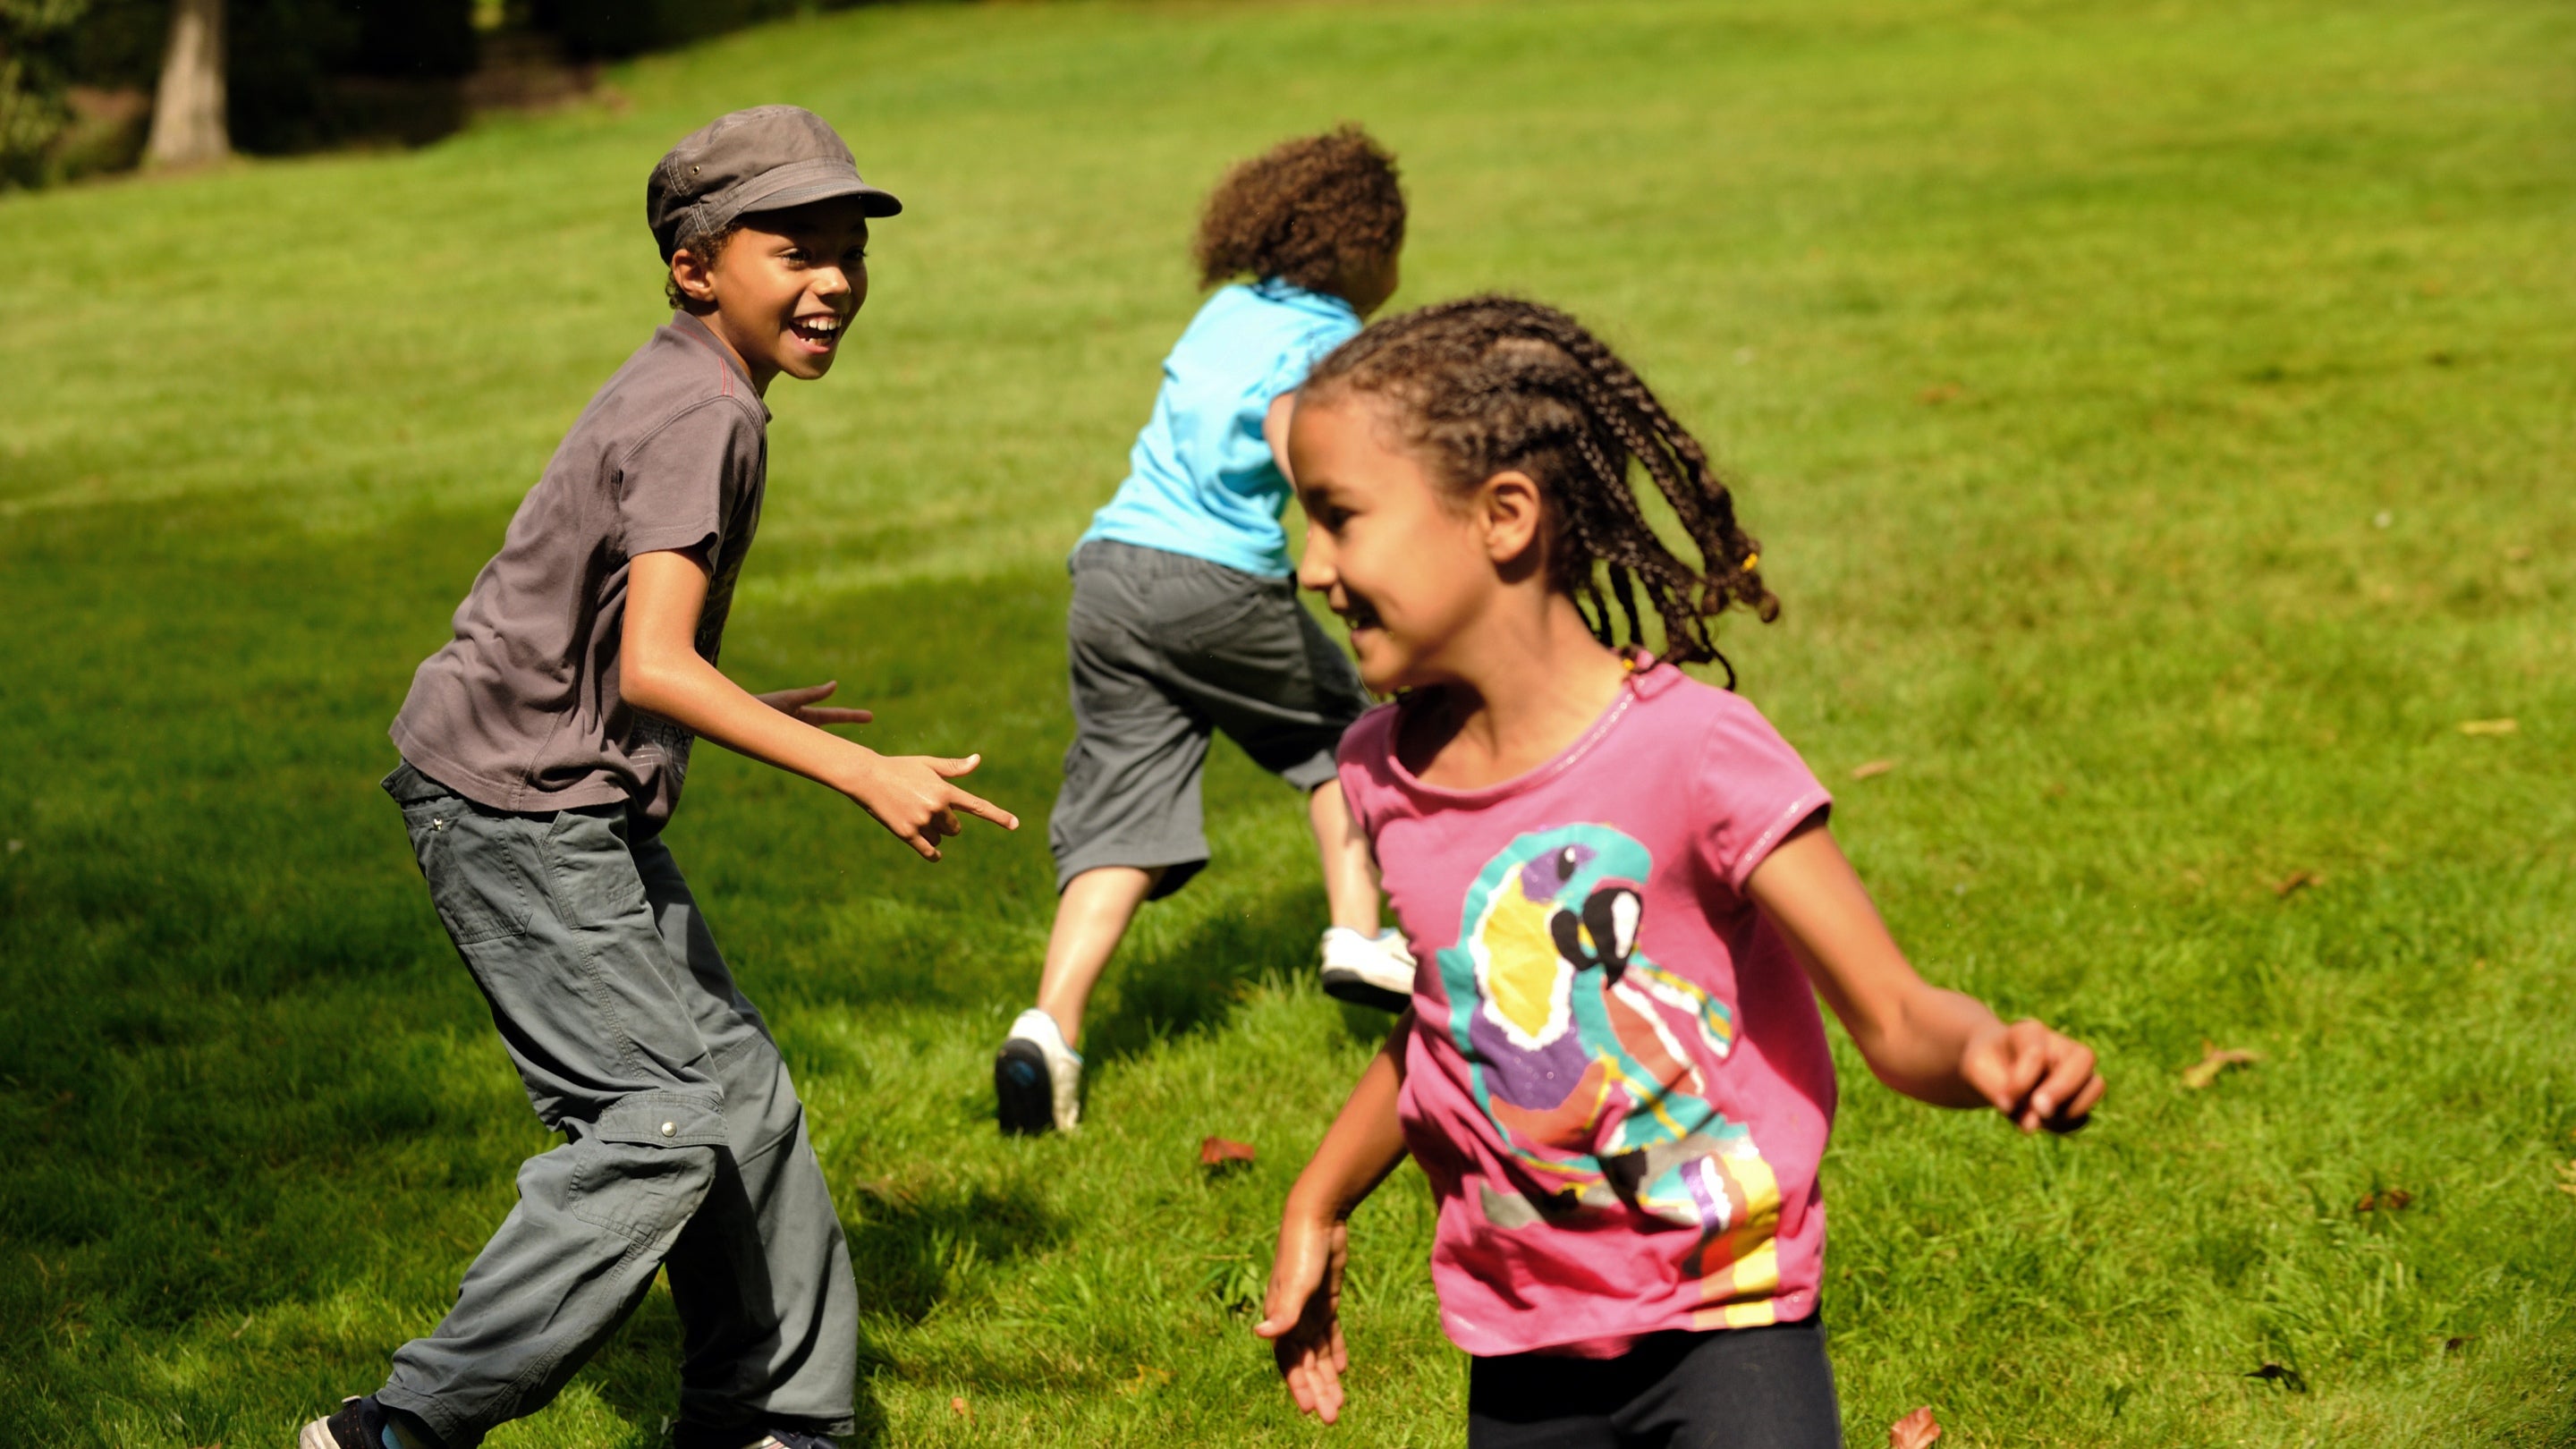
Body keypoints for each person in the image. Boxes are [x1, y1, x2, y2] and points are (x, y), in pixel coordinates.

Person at [1251, 296, 2106, 1446]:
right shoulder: (1384, 776)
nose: (1312, 568)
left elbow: (1894, 1012)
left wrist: (1987, 1051)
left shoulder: (1694, 755)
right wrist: (1318, 1198)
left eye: (1340, 519)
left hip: (1727, 1328)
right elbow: (1454, 1024)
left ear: (1504, 516)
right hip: (1521, 1345)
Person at [301, 106, 1017, 1449]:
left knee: (743, 1098)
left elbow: (622, 641)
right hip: (516, 807)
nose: (836, 280)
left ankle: (776, 1420)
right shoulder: (704, 413)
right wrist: (856, 767)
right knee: (663, 1121)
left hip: (559, 780)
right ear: (697, 267)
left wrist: (732, 698)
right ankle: (400, 1425)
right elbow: (653, 667)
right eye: (794, 247)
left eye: (851, 250)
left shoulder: (692, 384)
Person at [994, 126, 1417, 1136]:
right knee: (1342, 741)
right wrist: (1336, 539)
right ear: (1363, 246)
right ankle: (1359, 934)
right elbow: (1289, 421)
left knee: (1119, 809)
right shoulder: (1322, 336)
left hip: (1109, 574)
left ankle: (1048, 1030)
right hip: (1213, 578)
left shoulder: (1228, 308)